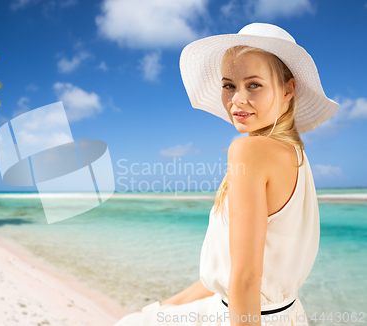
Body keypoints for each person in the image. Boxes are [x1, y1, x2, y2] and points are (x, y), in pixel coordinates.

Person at [113, 22, 339, 326]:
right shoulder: (296, 157)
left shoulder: (250, 152)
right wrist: (155, 310)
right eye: (229, 85)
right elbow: (223, 277)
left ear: (289, 89)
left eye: (254, 85)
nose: (237, 99)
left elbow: (246, 280)